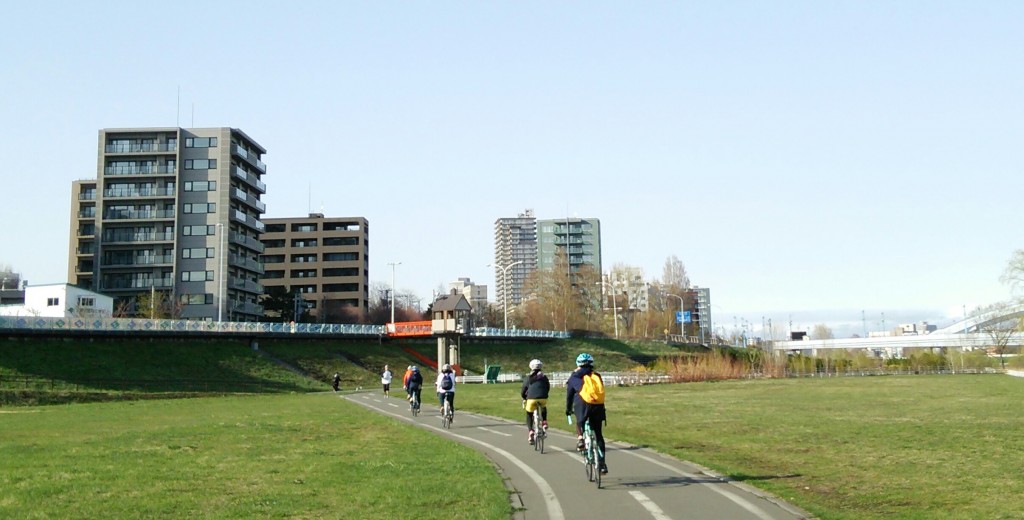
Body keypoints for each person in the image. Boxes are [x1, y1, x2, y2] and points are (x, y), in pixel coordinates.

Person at [566, 352, 607, 474]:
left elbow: (569, 395)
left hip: (583, 405)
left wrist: (568, 409)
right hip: (598, 406)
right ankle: (602, 464)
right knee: (598, 434)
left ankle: (580, 439)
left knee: (580, 420)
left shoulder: (574, 377)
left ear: (578, 364)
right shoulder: (597, 376)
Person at [521, 358, 550, 445]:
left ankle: (531, 431)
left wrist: (524, 397)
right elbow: (548, 387)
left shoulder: (528, 378)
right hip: (543, 397)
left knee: (529, 413)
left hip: (531, 399)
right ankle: (544, 422)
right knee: (543, 407)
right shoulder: (544, 377)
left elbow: (523, 390)